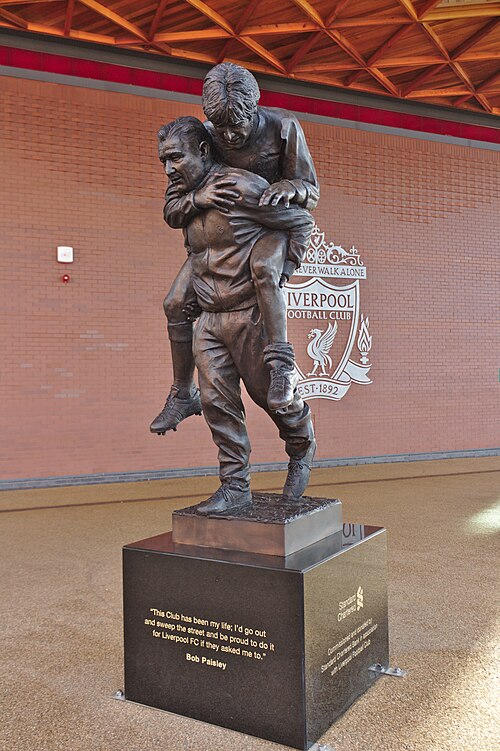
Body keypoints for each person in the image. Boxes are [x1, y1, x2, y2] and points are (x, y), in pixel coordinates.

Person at [157, 116, 316, 514]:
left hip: (249, 313)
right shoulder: (182, 194)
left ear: (204, 151)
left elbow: (301, 223)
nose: (169, 169)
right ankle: (234, 486)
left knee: (272, 399)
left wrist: (279, 270)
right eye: (163, 161)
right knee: (217, 403)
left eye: (176, 158)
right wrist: (198, 199)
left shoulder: (242, 186)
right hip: (210, 316)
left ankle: (301, 444)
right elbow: (172, 212)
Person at [150, 62, 319, 435]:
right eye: (219, 129)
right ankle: (182, 392)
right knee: (175, 303)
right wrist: (200, 196)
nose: (228, 137)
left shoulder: (283, 128)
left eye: (236, 127)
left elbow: (311, 192)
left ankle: (281, 366)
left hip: (271, 221)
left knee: (264, 271)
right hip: (221, 235)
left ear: (254, 110)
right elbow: (176, 201)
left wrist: (292, 189)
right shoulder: (201, 136)